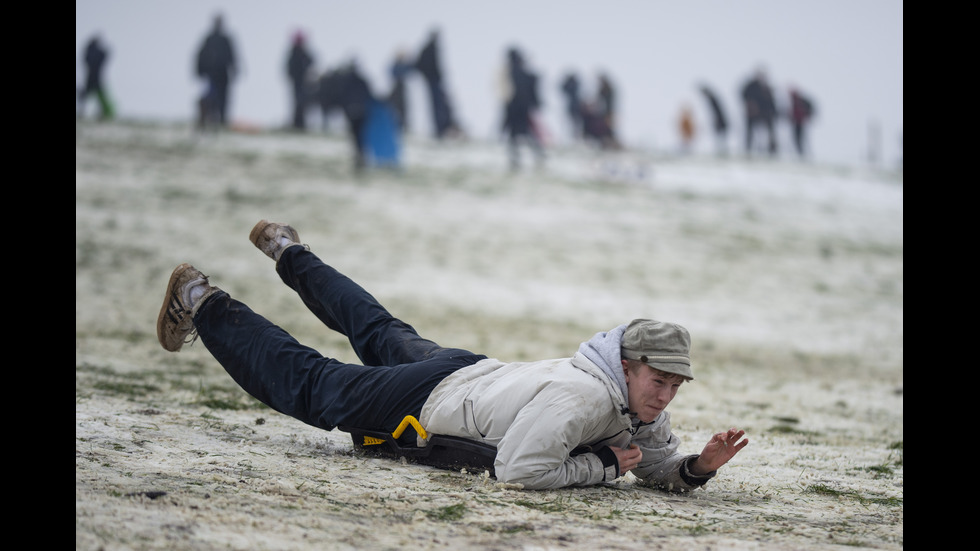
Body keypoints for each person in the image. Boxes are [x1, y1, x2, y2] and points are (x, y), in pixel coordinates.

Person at [156, 219, 749, 491]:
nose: (665, 395)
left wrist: (698, 467)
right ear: (626, 365)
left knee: (376, 325)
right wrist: (599, 469)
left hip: (468, 369)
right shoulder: (587, 396)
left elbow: (649, 462)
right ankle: (200, 300)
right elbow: (518, 471)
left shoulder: (635, 405)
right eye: (658, 380)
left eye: (675, 386)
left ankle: (288, 250)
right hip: (430, 398)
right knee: (313, 385)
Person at [501, 47, 545, 170]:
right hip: (521, 109)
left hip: (516, 109)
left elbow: (516, 92)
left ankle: (519, 159)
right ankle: (521, 158)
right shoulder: (521, 72)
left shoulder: (513, 72)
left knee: (520, 135)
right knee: (522, 135)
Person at [195, 13, 238, 130]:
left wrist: (235, 69)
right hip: (212, 74)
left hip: (222, 74)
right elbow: (201, 56)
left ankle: (222, 120)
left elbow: (232, 56)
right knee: (211, 98)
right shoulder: (210, 39)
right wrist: (199, 70)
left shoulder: (225, 39)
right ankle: (210, 121)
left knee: (223, 98)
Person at [415, 29, 460, 139]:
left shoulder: (431, 48)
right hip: (433, 83)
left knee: (441, 106)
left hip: (435, 82)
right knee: (438, 107)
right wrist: (431, 76)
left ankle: (443, 129)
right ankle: (441, 130)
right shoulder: (430, 49)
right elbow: (420, 65)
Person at [740, 68, 778, 156]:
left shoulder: (766, 87)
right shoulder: (751, 86)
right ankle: (748, 149)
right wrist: (751, 105)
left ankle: (772, 149)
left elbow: (771, 102)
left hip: (765, 113)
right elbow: (744, 95)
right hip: (752, 114)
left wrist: (774, 112)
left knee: (770, 131)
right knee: (750, 132)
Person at [78, 33, 113, 120]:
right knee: (97, 97)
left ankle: (105, 113)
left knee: (91, 97)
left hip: (92, 77)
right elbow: (105, 55)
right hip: (95, 78)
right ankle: (106, 112)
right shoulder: (95, 52)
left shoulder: (89, 52)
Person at [285, 30, 314, 131]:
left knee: (302, 103)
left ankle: (301, 124)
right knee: (297, 103)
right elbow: (289, 68)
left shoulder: (303, 53)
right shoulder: (294, 53)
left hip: (304, 82)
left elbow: (312, 62)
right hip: (297, 82)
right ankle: (297, 124)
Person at [387, 50, 414, 133]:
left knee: (402, 109)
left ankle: (403, 126)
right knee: (398, 108)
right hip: (398, 89)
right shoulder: (397, 66)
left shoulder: (401, 66)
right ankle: (399, 126)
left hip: (401, 89)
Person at [698, 84, 728, 156]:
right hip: (720, 120)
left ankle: (721, 151)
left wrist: (717, 120)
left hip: (720, 121)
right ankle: (720, 150)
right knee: (719, 137)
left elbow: (717, 112)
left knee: (721, 137)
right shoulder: (713, 99)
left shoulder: (712, 99)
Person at [787, 87, 816, 158]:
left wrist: (807, 117)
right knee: (797, 139)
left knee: (800, 139)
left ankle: (803, 154)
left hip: (801, 122)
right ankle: (800, 154)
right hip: (796, 122)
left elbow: (809, 109)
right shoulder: (793, 101)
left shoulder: (800, 101)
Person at [559, 72, 584, 141]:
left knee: (576, 123)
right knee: (574, 122)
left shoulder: (574, 85)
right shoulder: (574, 84)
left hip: (574, 106)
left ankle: (576, 136)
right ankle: (574, 136)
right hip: (573, 106)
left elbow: (564, 89)